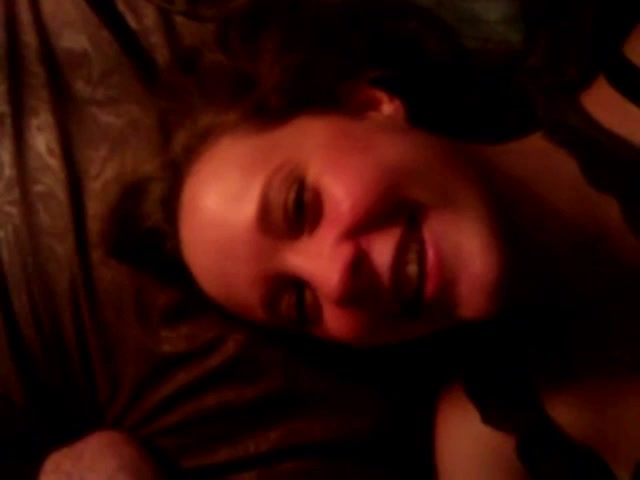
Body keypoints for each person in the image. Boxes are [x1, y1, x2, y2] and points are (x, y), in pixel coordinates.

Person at [108, 0, 640, 477]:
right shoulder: (488, 454)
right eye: (299, 302)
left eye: (299, 206)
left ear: (370, 104)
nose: (336, 281)